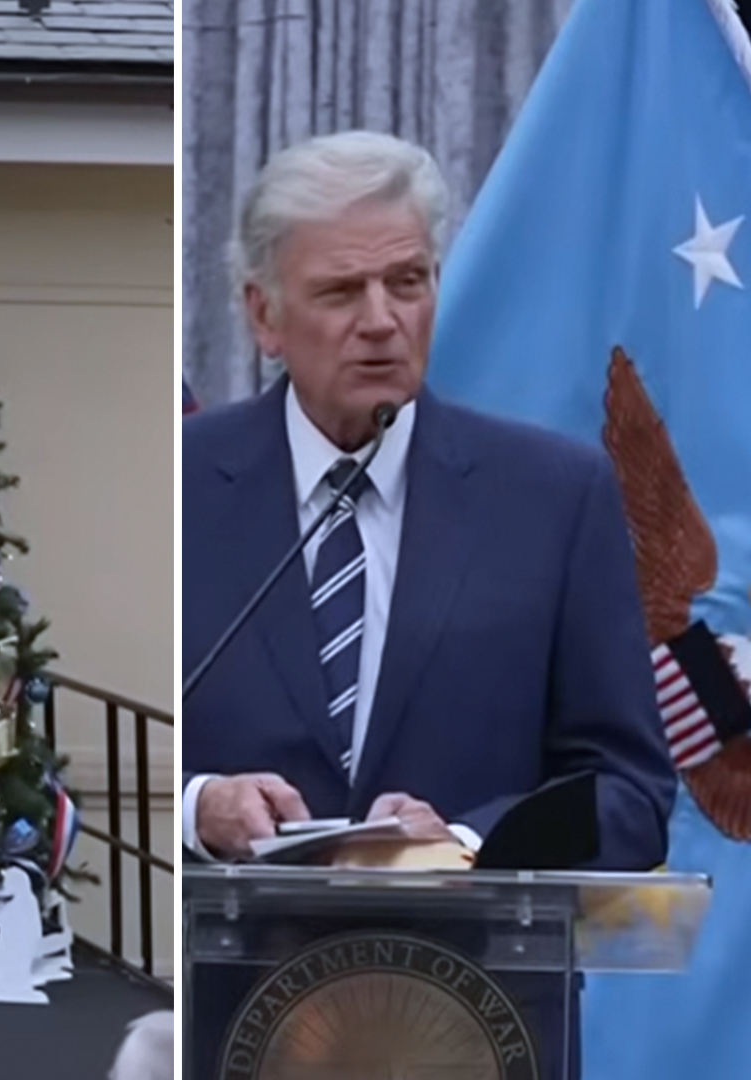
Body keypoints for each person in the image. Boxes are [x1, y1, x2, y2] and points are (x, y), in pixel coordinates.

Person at [179, 129, 676, 1079]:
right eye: (340, 291)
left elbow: (631, 796)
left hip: (481, 1028)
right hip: (239, 1027)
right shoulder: (183, 486)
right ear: (262, 314)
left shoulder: (555, 495)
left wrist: (467, 840)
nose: (382, 320)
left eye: (407, 282)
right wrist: (203, 805)